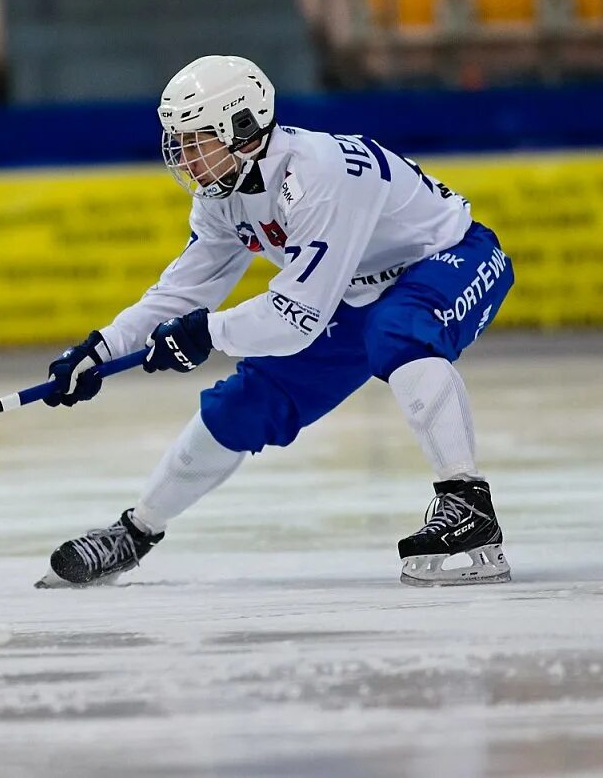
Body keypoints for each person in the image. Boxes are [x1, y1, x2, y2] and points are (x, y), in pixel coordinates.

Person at [37, 55, 513, 589]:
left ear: (242, 130)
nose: (185, 159)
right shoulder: (221, 197)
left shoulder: (319, 175)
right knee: (243, 405)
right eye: (179, 142)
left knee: (397, 331)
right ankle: (135, 533)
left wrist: (206, 333)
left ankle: (467, 505)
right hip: (352, 292)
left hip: (450, 259)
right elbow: (181, 291)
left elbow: (297, 317)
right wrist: (98, 350)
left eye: (196, 141)